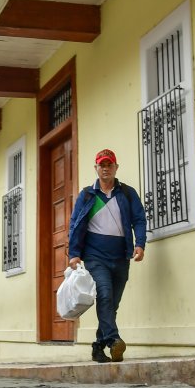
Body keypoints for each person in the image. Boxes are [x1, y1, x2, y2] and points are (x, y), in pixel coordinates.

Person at [67, 149, 146, 363]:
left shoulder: (127, 193)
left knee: (112, 304)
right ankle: (113, 340)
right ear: (96, 168)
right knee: (104, 295)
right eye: (102, 165)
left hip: (121, 255)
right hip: (95, 256)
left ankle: (97, 347)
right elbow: (75, 224)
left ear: (116, 168)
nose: (105, 168)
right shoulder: (87, 195)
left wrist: (140, 243)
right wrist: (74, 253)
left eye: (109, 164)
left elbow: (139, 219)